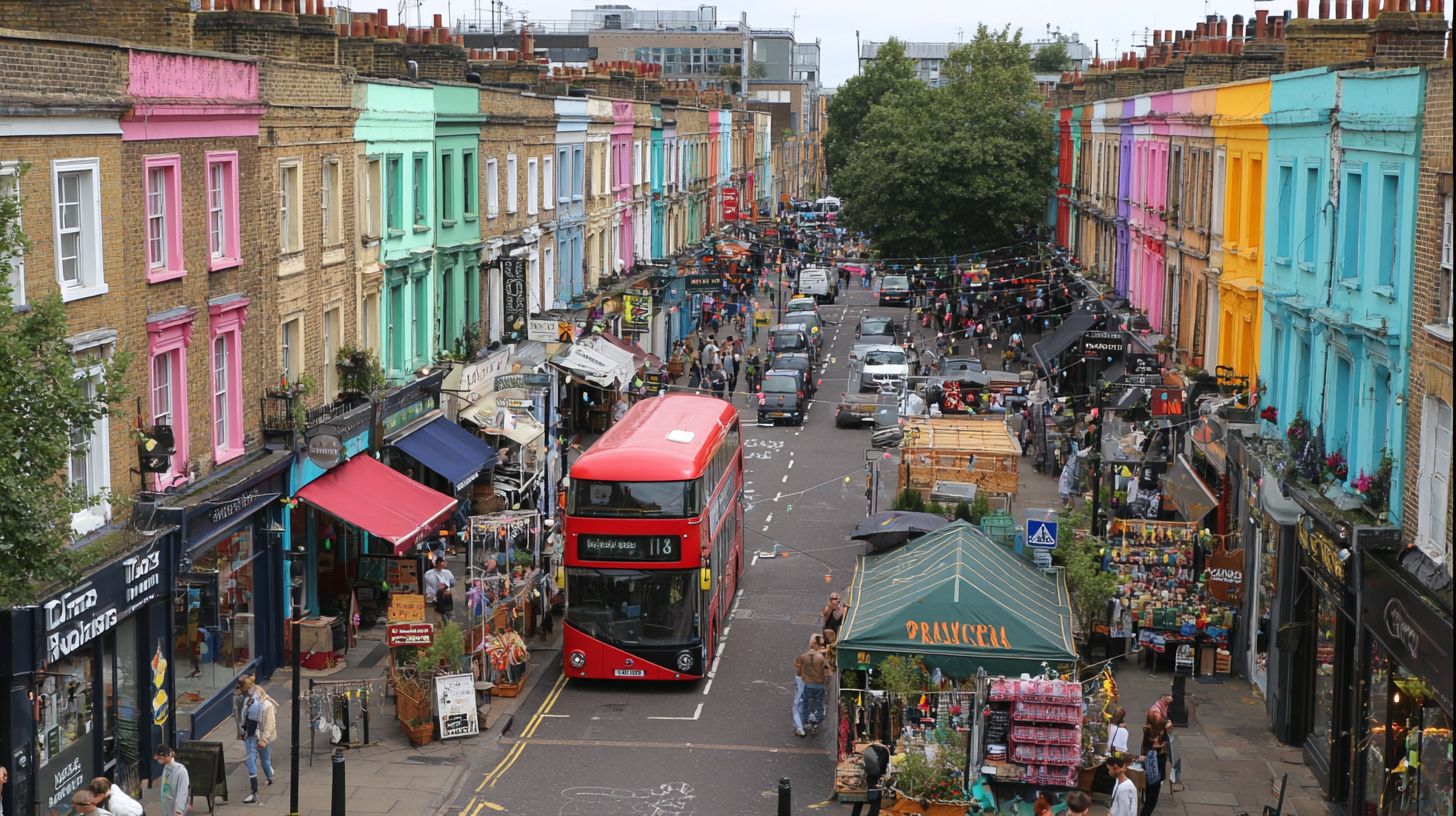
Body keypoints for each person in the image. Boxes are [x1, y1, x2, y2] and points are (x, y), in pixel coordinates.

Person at [240, 677, 277, 803]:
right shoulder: (247, 701)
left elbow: (270, 725)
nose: (244, 693)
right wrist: (242, 731)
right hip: (250, 737)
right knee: (251, 760)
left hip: (260, 737)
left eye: (245, 690)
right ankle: (255, 790)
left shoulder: (267, 705)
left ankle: (267, 780)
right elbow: (244, 719)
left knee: (265, 761)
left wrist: (263, 740)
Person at [798, 635, 830, 735]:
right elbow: (827, 671)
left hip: (808, 685)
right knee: (819, 703)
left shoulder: (804, 656)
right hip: (819, 685)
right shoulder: (821, 658)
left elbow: (799, 672)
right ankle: (816, 721)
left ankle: (806, 720)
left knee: (806, 703)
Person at [1140, 709, 1170, 816]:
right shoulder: (1157, 735)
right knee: (1151, 802)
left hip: (1151, 772)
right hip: (1155, 773)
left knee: (1149, 799)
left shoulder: (1149, 730)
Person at [850, 742, 890, 816]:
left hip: (869, 777)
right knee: (875, 803)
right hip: (874, 779)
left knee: (860, 799)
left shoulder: (871, 750)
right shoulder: (883, 752)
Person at [153, 744, 191, 816]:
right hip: (166, 807)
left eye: (159, 758)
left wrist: (179, 811)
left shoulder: (181, 771)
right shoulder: (166, 768)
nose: (158, 761)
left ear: (166, 756)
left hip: (176, 811)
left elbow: (183, 793)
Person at [423, 556, 456, 629]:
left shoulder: (447, 572)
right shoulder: (429, 574)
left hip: (447, 595)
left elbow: (452, 582)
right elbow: (434, 585)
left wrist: (449, 589)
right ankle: (446, 625)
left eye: (443, 565)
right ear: (436, 564)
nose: (441, 567)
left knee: (449, 610)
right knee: (441, 611)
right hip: (438, 596)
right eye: (440, 565)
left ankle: (448, 625)